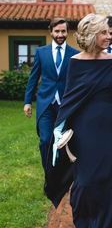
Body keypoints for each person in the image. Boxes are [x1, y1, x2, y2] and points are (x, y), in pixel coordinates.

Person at [44, 14, 112, 228]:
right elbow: (70, 97)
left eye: (109, 33)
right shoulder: (75, 62)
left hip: (109, 125)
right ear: (90, 36)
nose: (108, 36)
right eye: (103, 33)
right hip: (84, 127)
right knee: (86, 178)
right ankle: (85, 218)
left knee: (108, 177)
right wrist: (62, 127)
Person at [23, 18, 78, 172]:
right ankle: (49, 174)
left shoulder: (75, 55)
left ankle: (63, 174)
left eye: (63, 31)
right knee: (46, 140)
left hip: (66, 105)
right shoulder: (41, 52)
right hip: (46, 103)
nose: (60, 34)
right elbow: (33, 78)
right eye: (57, 31)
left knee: (65, 140)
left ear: (67, 32)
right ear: (51, 32)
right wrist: (27, 101)